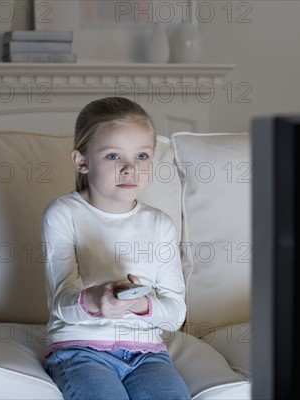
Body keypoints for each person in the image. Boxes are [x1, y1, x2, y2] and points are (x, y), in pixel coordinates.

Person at [41, 97, 191, 399]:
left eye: (142, 156)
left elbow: (175, 314)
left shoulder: (159, 224)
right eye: (112, 156)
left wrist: (140, 304)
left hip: (148, 355)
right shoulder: (63, 213)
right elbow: (61, 303)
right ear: (82, 161)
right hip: (79, 349)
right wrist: (96, 300)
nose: (129, 169)